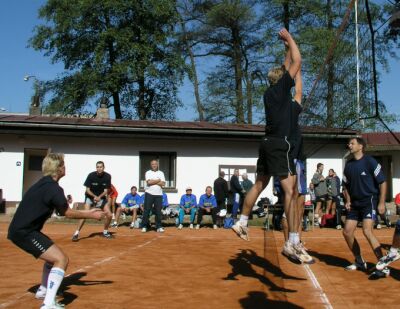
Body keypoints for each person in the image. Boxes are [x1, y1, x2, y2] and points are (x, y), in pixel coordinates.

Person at [232, 28, 304, 263]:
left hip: (265, 142)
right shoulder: (285, 92)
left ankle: (242, 222)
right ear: (283, 80)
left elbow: (287, 69)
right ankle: (293, 240)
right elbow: (298, 61)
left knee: (260, 183)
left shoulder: (270, 92)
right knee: (291, 192)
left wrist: (285, 51)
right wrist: (289, 39)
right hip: (279, 145)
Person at [7, 153, 104, 309]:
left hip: (24, 230)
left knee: (52, 258)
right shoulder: (53, 188)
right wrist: (91, 214)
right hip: (25, 232)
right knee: (61, 260)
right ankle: (48, 304)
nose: (65, 167)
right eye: (63, 165)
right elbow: (67, 213)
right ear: (57, 169)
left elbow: (59, 210)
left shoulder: (44, 184)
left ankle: (44, 290)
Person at [342, 137, 389, 279]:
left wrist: (381, 203)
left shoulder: (370, 161)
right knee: (347, 232)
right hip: (355, 204)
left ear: (361, 146)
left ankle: (383, 265)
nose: (349, 145)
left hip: (369, 201)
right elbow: (345, 185)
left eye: (352, 143)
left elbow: (383, 182)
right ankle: (359, 261)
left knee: (367, 231)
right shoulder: (349, 165)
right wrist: (348, 200)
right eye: (349, 143)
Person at [71, 161, 113, 241]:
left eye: (101, 167)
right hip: (90, 197)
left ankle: (105, 232)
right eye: (97, 167)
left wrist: (99, 197)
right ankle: (76, 233)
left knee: (109, 215)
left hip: (101, 198)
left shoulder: (108, 176)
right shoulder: (91, 175)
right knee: (84, 215)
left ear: (104, 167)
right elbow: (87, 190)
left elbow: (106, 190)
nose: (99, 168)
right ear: (96, 168)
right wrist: (94, 196)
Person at [141, 159, 165, 233]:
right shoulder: (148, 172)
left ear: (157, 165)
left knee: (158, 211)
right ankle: (144, 226)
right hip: (149, 193)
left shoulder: (161, 173)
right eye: (152, 164)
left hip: (159, 194)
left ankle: (159, 226)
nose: (154, 165)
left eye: (155, 164)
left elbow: (163, 183)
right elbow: (148, 182)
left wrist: (153, 181)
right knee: (147, 210)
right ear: (151, 165)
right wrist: (158, 180)